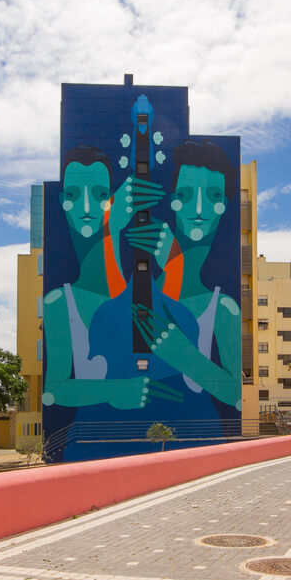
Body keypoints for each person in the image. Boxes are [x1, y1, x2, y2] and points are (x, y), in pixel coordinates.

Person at [42, 146, 181, 410]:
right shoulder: (58, 302)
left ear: (112, 201)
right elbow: (53, 390)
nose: (85, 207)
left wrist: (176, 265)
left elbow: (173, 334)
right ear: (62, 201)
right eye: (73, 194)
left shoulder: (139, 294)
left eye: (99, 195)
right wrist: (114, 390)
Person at [127, 140, 243, 409]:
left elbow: (235, 396)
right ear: (174, 200)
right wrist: (174, 265)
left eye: (213, 196)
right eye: (187, 195)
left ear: (225, 204)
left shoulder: (224, 308)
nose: (199, 209)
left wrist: (185, 355)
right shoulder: (138, 290)